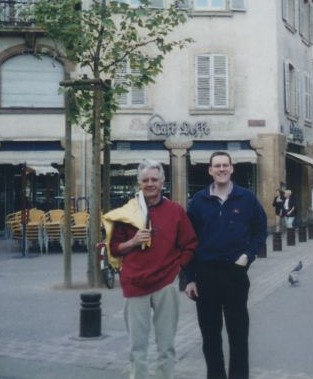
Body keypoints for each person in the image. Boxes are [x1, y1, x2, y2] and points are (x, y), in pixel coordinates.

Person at [105, 159, 198, 379]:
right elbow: (114, 249)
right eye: (145, 180)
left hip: (165, 284)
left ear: (162, 181)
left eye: (154, 179)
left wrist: (178, 268)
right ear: (139, 182)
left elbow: (190, 243)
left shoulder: (175, 211)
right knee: (137, 348)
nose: (150, 184)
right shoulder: (127, 213)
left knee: (166, 346)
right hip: (135, 285)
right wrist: (133, 241)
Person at [185, 151, 268, 379]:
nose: (221, 169)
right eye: (217, 166)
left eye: (225, 165)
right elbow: (188, 242)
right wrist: (189, 278)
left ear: (232, 169)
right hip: (206, 276)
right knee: (210, 337)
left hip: (235, 275)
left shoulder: (247, 198)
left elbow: (260, 231)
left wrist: (248, 256)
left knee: (238, 335)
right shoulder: (198, 201)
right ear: (210, 170)